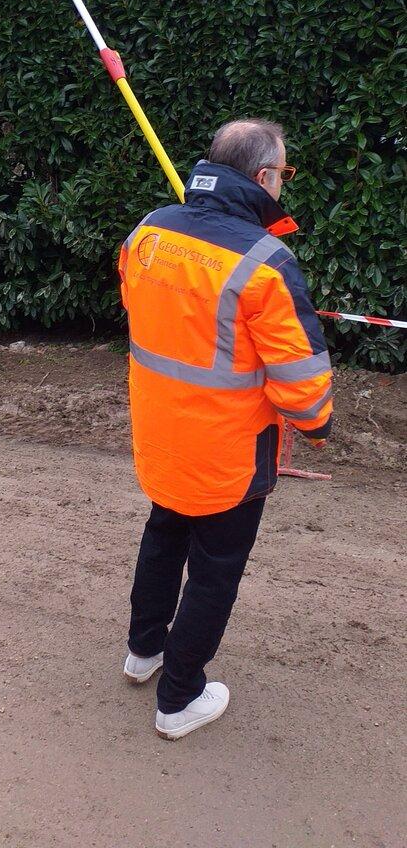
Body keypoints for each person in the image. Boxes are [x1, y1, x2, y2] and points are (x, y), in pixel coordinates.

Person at [118, 119, 333, 740]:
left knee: (164, 535)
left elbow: (142, 308)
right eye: (284, 173)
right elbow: (301, 381)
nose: (283, 183)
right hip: (230, 454)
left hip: (162, 434)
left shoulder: (148, 232)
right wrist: (318, 425)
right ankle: (179, 697)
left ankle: (144, 651)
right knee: (215, 570)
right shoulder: (265, 262)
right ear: (264, 177)